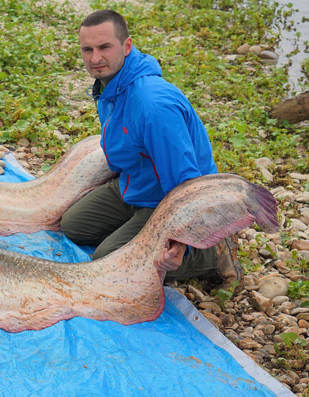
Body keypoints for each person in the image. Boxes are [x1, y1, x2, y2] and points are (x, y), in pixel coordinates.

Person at [61, 10, 242, 287]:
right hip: (137, 188)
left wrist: (181, 243)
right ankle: (138, 235)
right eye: (87, 49)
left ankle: (210, 254)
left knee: (109, 263)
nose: (95, 58)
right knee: (74, 226)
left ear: (127, 45)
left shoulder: (152, 105)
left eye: (104, 47)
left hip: (171, 200)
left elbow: (186, 183)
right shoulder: (111, 87)